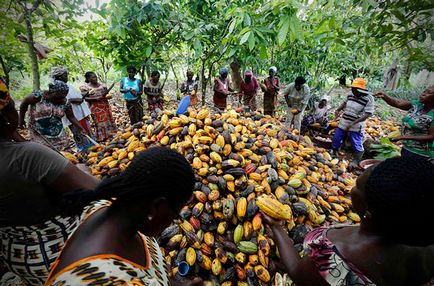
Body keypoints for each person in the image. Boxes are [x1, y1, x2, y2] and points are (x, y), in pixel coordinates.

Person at [263, 156, 434, 286]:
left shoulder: (338, 258)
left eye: (357, 186)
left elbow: (296, 271)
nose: (351, 187)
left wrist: (276, 228)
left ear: (369, 209)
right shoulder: (422, 235)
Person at [45, 147, 202, 286]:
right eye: (174, 216)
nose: (170, 224)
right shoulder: (108, 280)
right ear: (156, 206)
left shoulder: (109, 207)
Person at [0, 83, 99, 285]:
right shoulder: (28, 156)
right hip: (60, 255)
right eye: (11, 108)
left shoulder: (23, 153)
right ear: (5, 117)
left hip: (17, 257)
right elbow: (97, 191)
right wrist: (83, 170)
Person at [19, 81, 87, 152]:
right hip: (39, 129)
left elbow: (71, 117)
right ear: (51, 91)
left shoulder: (65, 102)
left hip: (57, 130)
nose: (61, 99)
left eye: (63, 97)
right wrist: (21, 120)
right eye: (59, 97)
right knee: (44, 150)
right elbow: (24, 104)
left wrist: (81, 128)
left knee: (64, 149)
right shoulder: (38, 96)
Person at [374, 86, 434, 160]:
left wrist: (404, 137)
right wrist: (385, 96)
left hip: (421, 153)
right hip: (407, 147)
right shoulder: (417, 105)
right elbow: (398, 103)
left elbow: (431, 136)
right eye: (424, 91)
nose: (423, 94)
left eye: (428, 93)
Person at [332, 78, 374, 166]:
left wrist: (353, 123)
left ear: (360, 90)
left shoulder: (369, 98)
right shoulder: (351, 94)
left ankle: (357, 159)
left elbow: (368, 114)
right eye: (352, 89)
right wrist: (338, 110)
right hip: (344, 121)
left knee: (356, 142)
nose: (353, 91)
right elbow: (344, 102)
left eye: (354, 89)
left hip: (356, 125)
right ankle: (335, 150)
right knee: (337, 137)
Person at [51, 67, 94, 152]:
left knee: (86, 131)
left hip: (79, 113)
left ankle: (91, 147)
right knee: (79, 133)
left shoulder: (66, 85)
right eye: (65, 76)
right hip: (73, 114)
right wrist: (74, 100)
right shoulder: (57, 87)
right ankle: (84, 150)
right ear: (59, 77)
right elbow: (59, 99)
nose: (67, 77)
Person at [80, 71, 117, 142]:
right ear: (88, 78)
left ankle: (110, 134)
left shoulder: (102, 85)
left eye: (95, 76)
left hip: (104, 105)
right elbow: (84, 98)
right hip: (95, 107)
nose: (95, 78)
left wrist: (107, 96)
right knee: (99, 122)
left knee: (108, 119)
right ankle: (102, 137)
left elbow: (106, 94)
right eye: (93, 77)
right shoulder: (85, 87)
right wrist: (95, 98)